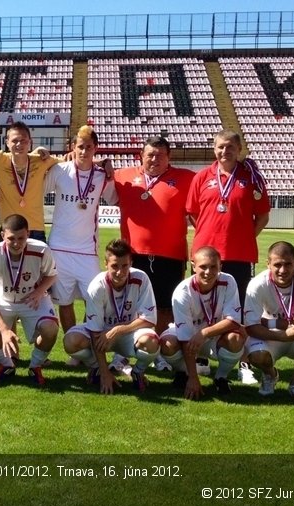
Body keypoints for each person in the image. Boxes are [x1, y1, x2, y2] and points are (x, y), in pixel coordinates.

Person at [186, 130, 270, 384]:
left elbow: (263, 215)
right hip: (205, 258)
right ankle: (200, 358)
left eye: (231, 147)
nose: (226, 152)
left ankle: (243, 363)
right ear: (215, 149)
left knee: (241, 311)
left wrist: (244, 236)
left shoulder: (252, 178)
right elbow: (192, 213)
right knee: (200, 308)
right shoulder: (202, 177)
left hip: (239, 254)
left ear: (239, 149)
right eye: (221, 147)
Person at [113, 135, 195, 339]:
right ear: (141, 155)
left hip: (171, 255)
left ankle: (162, 350)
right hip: (133, 254)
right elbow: (91, 171)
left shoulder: (187, 178)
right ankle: (131, 347)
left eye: (160, 155)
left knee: (166, 305)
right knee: (131, 304)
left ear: (169, 157)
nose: (154, 159)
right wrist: (102, 162)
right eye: (150, 155)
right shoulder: (121, 176)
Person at [44, 125, 116, 334]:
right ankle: (73, 346)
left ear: (96, 149)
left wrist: (108, 166)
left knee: (95, 299)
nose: (84, 151)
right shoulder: (59, 170)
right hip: (59, 248)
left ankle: (89, 340)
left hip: (87, 251)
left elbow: (117, 198)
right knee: (64, 302)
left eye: (89, 147)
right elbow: (36, 189)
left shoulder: (103, 175)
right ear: (73, 147)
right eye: (80, 147)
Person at [64, 239, 159, 394]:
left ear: (131, 263)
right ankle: (96, 369)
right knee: (71, 341)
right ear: (106, 263)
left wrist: (119, 330)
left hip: (128, 333)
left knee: (152, 342)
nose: (120, 272)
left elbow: (149, 319)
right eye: (115, 266)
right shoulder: (97, 286)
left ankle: (138, 371)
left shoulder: (141, 278)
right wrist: (104, 371)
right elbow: (95, 331)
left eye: (125, 266)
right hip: (102, 334)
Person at [0, 214, 59, 386]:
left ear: (28, 234)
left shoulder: (41, 249)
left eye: (21, 238)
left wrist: (39, 292)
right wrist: (4, 330)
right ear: (2, 235)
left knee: (51, 329)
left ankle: (35, 366)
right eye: (11, 238)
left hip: (32, 299)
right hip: (2, 300)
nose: (16, 243)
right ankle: (7, 365)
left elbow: (51, 275)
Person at [243, 241, 294, 405]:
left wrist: (273, 322)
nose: (282, 270)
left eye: (288, 264)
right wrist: (282, 334)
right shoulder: (257, 284)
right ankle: (270, 375)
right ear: (268, 264)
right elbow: (251, 327)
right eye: (277, 264)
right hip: (272, 337)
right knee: (256, 356)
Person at [159, 246, 245, 398]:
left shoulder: (228, 281)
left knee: (237, 338)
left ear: (220, 266)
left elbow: (234, 321)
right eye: (203, 267)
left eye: (213, 267)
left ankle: (221, 377)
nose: (208, 272)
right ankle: (184, 372)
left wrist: (204, 332)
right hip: (189, 336)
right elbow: (185, 338)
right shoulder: (182, 292)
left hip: (214, 334)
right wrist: (193, 378)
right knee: (167, 344)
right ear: (193, 266)